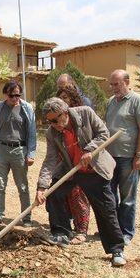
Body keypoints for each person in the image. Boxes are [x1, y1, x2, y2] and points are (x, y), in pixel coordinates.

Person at [35, 97, 127, 267]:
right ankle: (61, 233)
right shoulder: (52, 132)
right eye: (50, 121)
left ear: (65, 112)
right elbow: (50, 159)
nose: (54, 124)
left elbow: (103, 133)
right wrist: (42, 187)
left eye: (56, 120)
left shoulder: (85, 113)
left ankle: (116, 249)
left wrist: (90, 149)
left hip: (94, 170)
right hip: (72, 170)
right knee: (54, 194)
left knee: (106, 209)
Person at [105, 69, 140, 245]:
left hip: (128, 157)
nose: (113, 88)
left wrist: (139, 155)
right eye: (111, 84)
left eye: (116, 84)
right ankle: (113, 230)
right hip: (110, 157)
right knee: (110, 196)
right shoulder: (111, 102)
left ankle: (126, 233)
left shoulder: (138, 101)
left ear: (126, 82)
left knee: (127, 199)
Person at [0, 80, 36, 226]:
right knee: (0, 185)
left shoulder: (27, 108)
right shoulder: (0, 107)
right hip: (1, 149)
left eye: (18, 95)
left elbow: (32, 132)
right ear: (5, 94)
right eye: (12, 95)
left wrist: (31, 153)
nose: (15, 98)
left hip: (19, 150)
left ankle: (26, 217)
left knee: (23, 186)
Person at [56, 85, 90, 244]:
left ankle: (82, 231)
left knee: (79, 197)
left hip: (83, 164)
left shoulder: (81, 115)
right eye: (60, 98)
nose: (62, 101)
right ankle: (67, 228)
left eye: (65, 98)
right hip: (66, 164)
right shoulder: (57, 120)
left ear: (72, 98)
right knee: (66, 196)